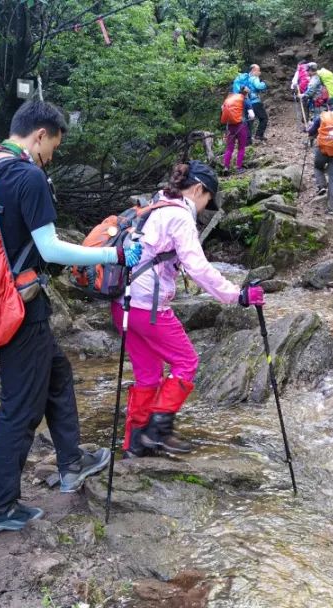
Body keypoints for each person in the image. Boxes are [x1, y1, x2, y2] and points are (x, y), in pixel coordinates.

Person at [0, 100, 141, 536]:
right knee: (19, 408)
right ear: (40, 135)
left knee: (59, 374)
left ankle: (71, 463)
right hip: (21, 305)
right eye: (53, 148)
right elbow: (51, 250)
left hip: (1, 296)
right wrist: (113, 252)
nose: (52, 157)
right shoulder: (27, 175)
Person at [115, 161, 264, 457]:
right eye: (208, 199)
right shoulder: (180, 217)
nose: (206, 206)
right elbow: (198, 267)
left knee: (149, 373)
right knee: (186, 362)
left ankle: (135, 441)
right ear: (198, 189)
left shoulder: (155, 205)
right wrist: (238, 295)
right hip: (148, 307)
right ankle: (158, 431)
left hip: (123, 302)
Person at [306, 97, 333, 215]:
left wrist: (309, 130)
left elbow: (311, 131)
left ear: (328, 106)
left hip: (322, 149)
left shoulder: (321, 117)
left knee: (317, 167)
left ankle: (322, 186)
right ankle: (331, 209)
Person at [232, 64, 268, 144]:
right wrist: (264, 84)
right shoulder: (254, 78)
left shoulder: (246, 79)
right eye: (258, 70)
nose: (259, 72)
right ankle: (259, 135)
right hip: (255, 102)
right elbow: (258, 86)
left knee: (249, 122)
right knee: (264, 118)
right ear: (253, 70)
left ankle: (247, 141)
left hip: (246, 102)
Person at [222, 86, 250, 174]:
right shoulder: (245, 101)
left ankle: (226, 167)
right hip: (241, 126)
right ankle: (238, 168)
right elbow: (252, 115)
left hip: (230, 126)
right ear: (247, 93)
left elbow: (222, 109)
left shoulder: (230, 100)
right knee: (241, 147)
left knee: (229, 148)